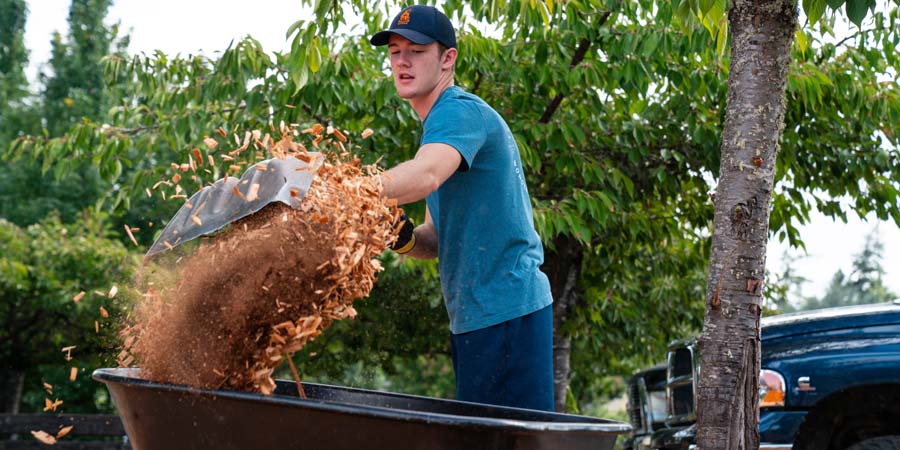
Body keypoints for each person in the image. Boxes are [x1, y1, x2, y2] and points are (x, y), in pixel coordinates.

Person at [371, 5, 554, 412]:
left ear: (447, 58)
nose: (402, 60)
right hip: (477, 318)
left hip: (505, 311)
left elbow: (426, 176)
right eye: (395, 51)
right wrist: (402, 240)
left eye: (416, 51)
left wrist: (346, 193)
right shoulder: (440, 128)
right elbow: (436, 238)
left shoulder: (457, 111)